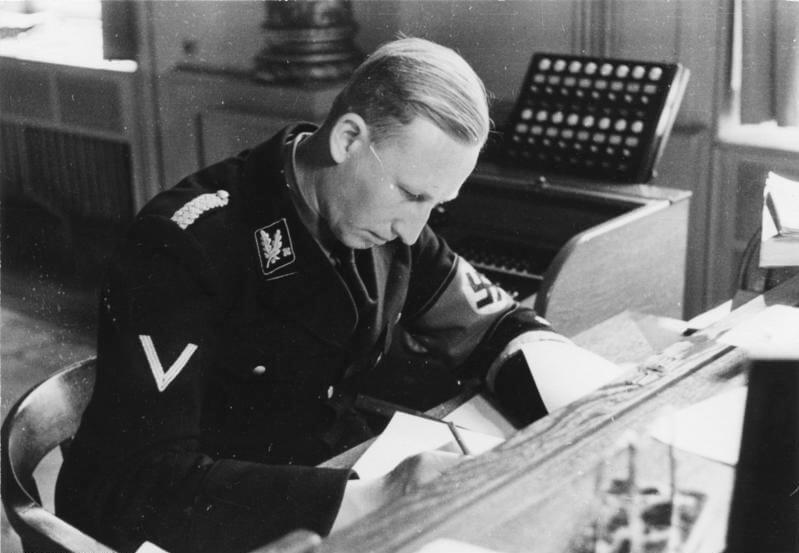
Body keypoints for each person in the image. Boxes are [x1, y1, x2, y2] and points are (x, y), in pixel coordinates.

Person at [56, 37, 619, 553]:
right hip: (227, 523)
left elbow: (493, 323)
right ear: (348, 138)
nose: (413, 232)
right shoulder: (188, 242)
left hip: (332, 476)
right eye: (412, 195)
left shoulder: (383, 218)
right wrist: (376, 496)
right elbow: (136, 482)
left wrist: (604, 406)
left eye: (436, 205)